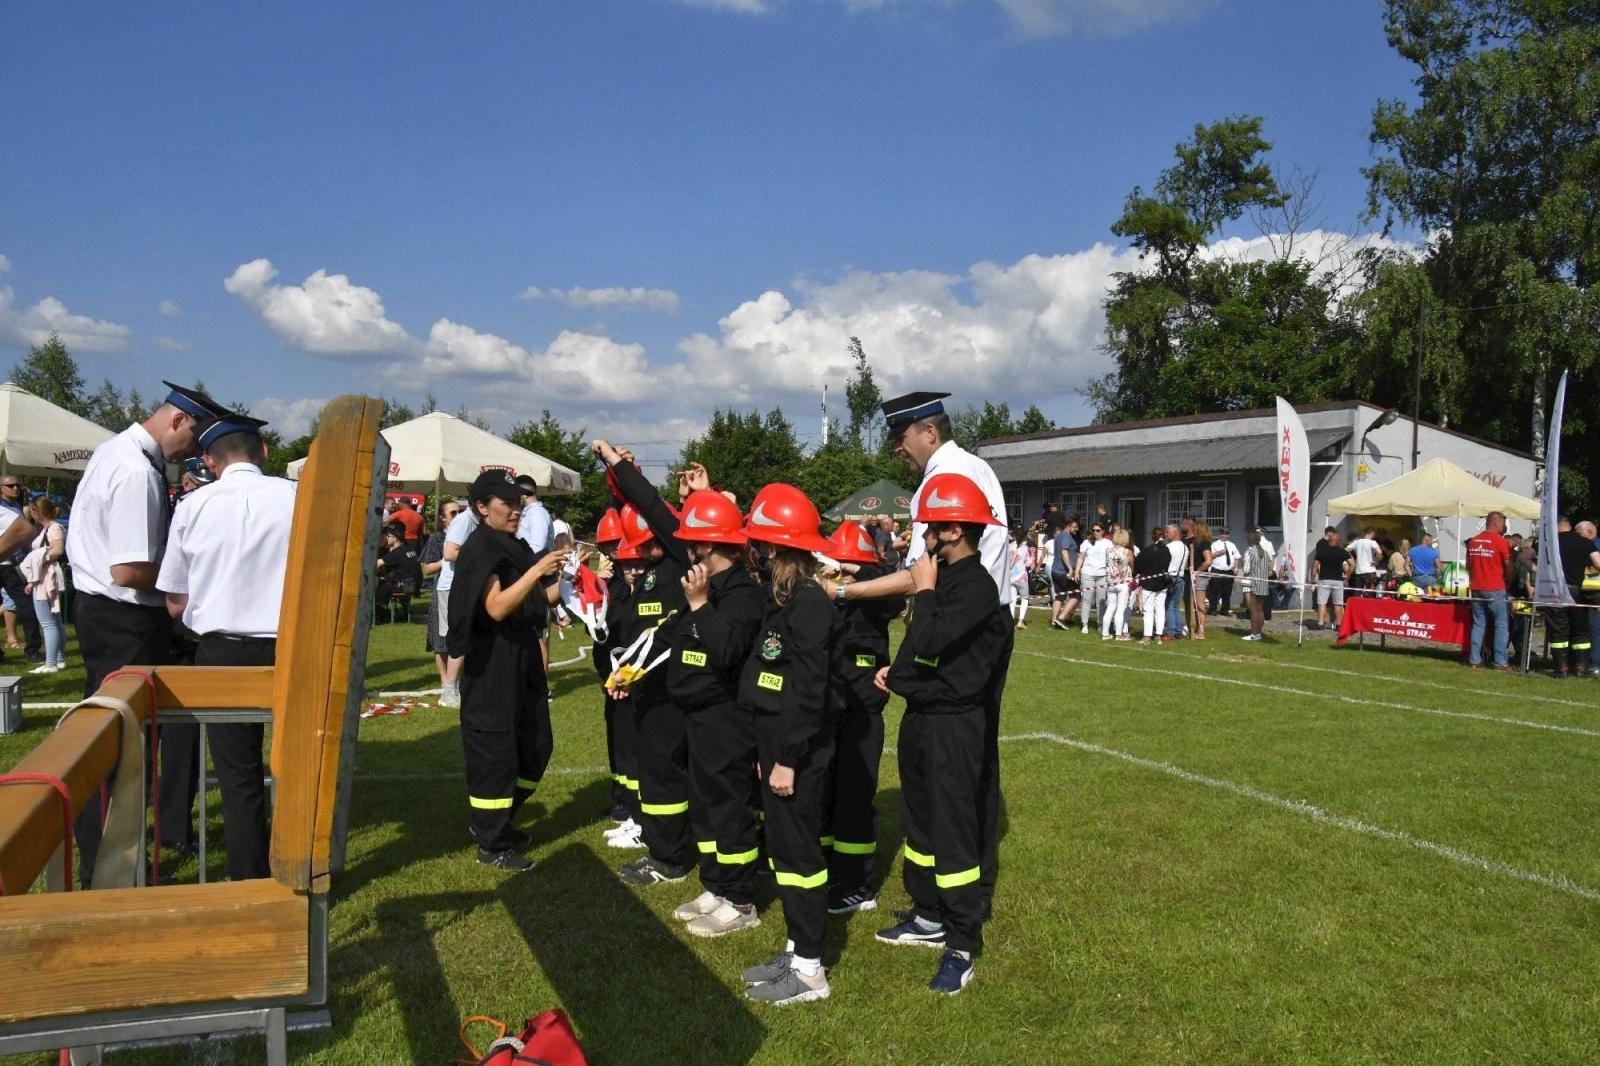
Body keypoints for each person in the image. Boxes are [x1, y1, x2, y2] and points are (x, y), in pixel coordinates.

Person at [821, 391, 1010, 918]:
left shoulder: (958, 477)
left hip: (962, 638)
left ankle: (960, 903)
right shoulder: (953, 472)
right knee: (929, 781)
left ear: (929, 431)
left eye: (901, 438)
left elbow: (929, 578)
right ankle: (932, 903)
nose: (897, 452)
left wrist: (847, 593)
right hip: (946, 631)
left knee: (958, 777)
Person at [66, 381, 233, 884]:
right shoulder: (136, 471)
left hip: (108, 615)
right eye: (195, 439)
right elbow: (131, 569)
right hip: (127, 620)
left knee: (121, 743)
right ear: (178, 421)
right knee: (122, 749)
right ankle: (109, 864)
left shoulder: (113, 451)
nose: (195, 453)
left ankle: (119, 855)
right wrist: (192, 577)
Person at [872, 473, 1013, 996]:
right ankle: (928, 914)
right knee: (922, 823)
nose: (921, 538)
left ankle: (959, 942)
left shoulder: (974, 586)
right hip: (922, 720)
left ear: (952, 529)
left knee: (953, 831)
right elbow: (924, 651)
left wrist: (925, 589)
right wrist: (898, 674)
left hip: (955, 726)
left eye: (929, 527)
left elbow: (932, 633)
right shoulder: (947, 582)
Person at [155, 414, 295, 881]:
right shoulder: (296, 497)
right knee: (300, 763)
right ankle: (304, 862)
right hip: (293, 646)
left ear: (210, 462)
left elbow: (175, 601)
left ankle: (249, 874)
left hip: (222, 650)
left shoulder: (194, 506)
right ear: (264, 453)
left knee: (238, 774)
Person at [734, 483, 842, 1006]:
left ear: (778, 549)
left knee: (800, 857)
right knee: (783, 852)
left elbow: (809, 692)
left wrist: (786, 760)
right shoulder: (782, 601)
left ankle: (811, 972)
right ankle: (798, 949)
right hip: (775, 746)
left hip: (794, 753)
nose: (754, 553)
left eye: (760, 544)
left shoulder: (810, 605)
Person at [446, 470, 566, 872]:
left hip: (522, 655)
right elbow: (496, 607)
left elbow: (534, 601)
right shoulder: (481, 548)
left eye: (519, 502)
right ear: (482, 507)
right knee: (495, 750)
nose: (516, 509)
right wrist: (536, 570)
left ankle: (500, 821)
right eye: (507, 503)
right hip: (493, 661)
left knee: (535, 743)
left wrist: (566, 580)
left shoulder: (510, 544)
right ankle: (490, 840)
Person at [662, 487, 767, 938]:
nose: (686, 549)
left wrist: (701, 605)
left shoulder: (741, 593)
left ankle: (741, 899)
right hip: (696, 717)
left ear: (705, 545)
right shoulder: (699, 588)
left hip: (726, 718)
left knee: (729, 807)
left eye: (691, 541)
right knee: (705, 807)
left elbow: (725, 650)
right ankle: (717, 884)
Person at [593, 441, 695, 888]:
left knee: (664, 772)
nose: (639, 556)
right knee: (653, 770)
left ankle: (669, 856)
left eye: (645, 546)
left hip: (675, 686)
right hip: (646, 684)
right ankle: (662, 846)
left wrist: (618, 465)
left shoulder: (678, 555)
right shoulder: (654, 566)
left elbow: (652, 506)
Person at [821, 518, 902, 915]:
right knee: (824, 792)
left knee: (854, 798)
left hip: (863, 714)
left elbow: (895, 597)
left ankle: (856, 884)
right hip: (827, 709)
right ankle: (825, 870)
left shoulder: (875, 601)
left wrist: (859, 573)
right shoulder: (825, 595)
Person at [435, 500, 481, 708]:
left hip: (463, 586)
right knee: (458, 638)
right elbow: (450, 553)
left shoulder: (475, 521)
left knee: (467, 637)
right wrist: (484, 555)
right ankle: (449, 691)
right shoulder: (465, 521)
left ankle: (460, 686)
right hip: (452, 587)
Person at [1545, 515, 1600, 679]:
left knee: (1558, 630)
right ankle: (1581, 668)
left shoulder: (1549, 542)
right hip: (1576, 590)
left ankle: (1561, 669)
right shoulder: (1584, 542)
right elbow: (1598, 564)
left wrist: (1535, 569)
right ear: (1570, 526)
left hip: (1553, 590)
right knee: (1580, 630)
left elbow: (1525, 557)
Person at [420, 500, 465, 692]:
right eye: (453, 513)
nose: (457, 516)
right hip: (443, 590)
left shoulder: (467, 535)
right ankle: (444, 680)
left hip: (462, 589)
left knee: (461, 635)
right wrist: (447, 558)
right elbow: (427, 568)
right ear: (443, 517)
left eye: (459, 512)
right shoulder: (437, 538)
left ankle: (457, 680)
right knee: (440, 639)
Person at [20, 495, 68, 672]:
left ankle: (51, 663)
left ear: (37, 512)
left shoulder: (54, 528)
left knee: (48, 623)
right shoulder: (47, 528)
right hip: (43, 575)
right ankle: (58, 659)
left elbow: (57, 550)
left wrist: (36, 558)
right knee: (55, 621)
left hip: (46, 577)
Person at [0, 474, 44, 663]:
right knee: (25, 605)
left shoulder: (10, 509)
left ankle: (32, 649)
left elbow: (26, 529)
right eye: (11, 485)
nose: (15, 488)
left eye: (17, 485)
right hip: (9, 563)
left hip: (10, 565)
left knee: (26, 605)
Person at [1465, 510, 1514, 670]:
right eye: (1504, 523)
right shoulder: (1501, 542)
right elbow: (1508, 567)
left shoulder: (1473, 541)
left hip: (1477, 586)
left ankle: (1475, 660)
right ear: (1497, 522)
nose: (1504, 526)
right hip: (1495, 587)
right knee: (1501, 625)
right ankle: (1500, 661)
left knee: (1479, 624)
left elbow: (1468, 566)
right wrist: (1508, 582)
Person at [374, 521, 422, 620]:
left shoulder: (397, 552)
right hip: (414, 585)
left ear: (395, 538)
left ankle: (381, 614)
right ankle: (401, 612)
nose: (385, 537)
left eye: (387, 535)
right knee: (386, 582)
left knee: (377, 590)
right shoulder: (409, 549)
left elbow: (376, 564)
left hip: (404, 586)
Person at [1074, 521, 1113, 636]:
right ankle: (1084, 624)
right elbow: (1081, 558)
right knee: (1086, 600)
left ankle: (1101, 624)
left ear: (1103, 532)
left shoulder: (1108, 543)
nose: (1095, 532)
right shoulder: (1086, 543)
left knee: (1101, 601)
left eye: (1098, 530)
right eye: (1094, 530)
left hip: (1102, 574)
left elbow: (1110, 559)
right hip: (1087, 574)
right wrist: (1077, 571)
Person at [1134, 526, 1171, 644]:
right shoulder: (1166, 550)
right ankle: (1158, 634)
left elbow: (1138, 566)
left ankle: (1147, 635)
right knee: (1160, 609)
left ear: (1152, 536)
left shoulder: (1147, 550)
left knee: (1148, 610)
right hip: (1162, 583)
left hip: (1149, 583)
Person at [1313, 529, 1351, 631]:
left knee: (1322, 602)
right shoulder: (1342, 551)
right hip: (1338, 580)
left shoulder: (1321, 551)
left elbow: (1315, 566)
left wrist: (1313, 578)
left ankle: (1320, 624)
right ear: (1337, 541)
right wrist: (1347, 575)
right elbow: (1353, 564)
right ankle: (1338, 625)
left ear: (1329, 541)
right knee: (1338, 603)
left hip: (1324, 579)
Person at [1240, 529, 1272, 641]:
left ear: (1249, 540)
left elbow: (1246, 569)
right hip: (1263, 583)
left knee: (1253, 609)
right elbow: (1269, 568)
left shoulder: (1249, 551)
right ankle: (1258, 633)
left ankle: (1254, 634)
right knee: (1260, 609)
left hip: (1252, 583)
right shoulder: (1266, 553)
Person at [1104, 528, 1135, 641]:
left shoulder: (1108, 550)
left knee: (1110, 608)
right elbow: (1132, 565)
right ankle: (1118, 634)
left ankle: (1105, 633)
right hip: (1123, 582)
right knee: (1120, 609)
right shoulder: (1127, 552)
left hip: (1111, 582)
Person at [1049, 518, 1080, 630]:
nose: (1077, 529)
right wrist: (1070, 568)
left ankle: (1054, 621)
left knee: (1059, 596)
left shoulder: (1059, 536)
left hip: (1055, 570)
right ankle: (1061, 618)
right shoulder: (1066, 536)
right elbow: (1064, 552)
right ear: (1069, 526)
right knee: (1076, 595)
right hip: (1063, 571)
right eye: (1075, 526)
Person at [1162, 523, 1188, 641]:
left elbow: (1165, 563)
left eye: (1168, 532)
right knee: (1176, 606)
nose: (1166, 534)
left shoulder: (1169, 547)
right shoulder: (1185, 547)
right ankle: (1178, 630)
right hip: (1180, 577)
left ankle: (1170, 631)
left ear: (1175, 533)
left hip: (1171, 578)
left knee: (1169, 605)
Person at [1206, 527, 1240, 618]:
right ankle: (1212, 609)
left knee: (1227, 592)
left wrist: (1236, 568)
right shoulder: (1214, 544)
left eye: (1225, 534)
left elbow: (1237, 557)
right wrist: (1218, 553)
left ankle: (1225, 609)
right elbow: (1210, 556)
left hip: (1229, 571)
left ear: (1228, 535)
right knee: (1214, 591)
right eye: (1222, 534)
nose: (1223, 535)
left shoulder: (1232, 545)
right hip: (1217, 570)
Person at [1189, 521, 1215, 640]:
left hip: (1200, 576)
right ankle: (1197, 628)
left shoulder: (1204, 544)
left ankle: (1201, 631)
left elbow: (1208, 560)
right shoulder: (1196, 543)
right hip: (1195, 575)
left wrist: (1198, 571)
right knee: (1195, 603)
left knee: (1200, 604)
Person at [1006, 525, 1031, 629]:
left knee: (1012, 601)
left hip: (1011, 576)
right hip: (1022, 578)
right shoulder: (1025, 549)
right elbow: (1028, 563)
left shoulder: (1009, 547)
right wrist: (1032, 557)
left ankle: (1011, 621)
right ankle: (1020, 621)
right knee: (1024, 599)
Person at [1347, 527, 1381, 596]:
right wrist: (1376, 562)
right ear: (1372, 533)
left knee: (1357, 594)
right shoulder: (1372, 542)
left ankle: (1357, 606)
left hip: (1359, 571)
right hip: (1370, 571)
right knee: (1370, 594)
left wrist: (1352, 559)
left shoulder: (1357, 542)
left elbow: (1345, 550)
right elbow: (1379, 552)